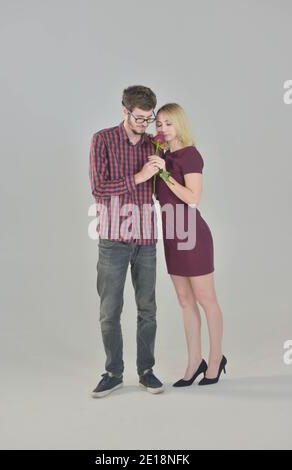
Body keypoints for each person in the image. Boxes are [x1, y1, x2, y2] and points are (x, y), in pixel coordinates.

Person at [89, 85, 164, 397]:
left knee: (147, 309)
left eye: (149, 119)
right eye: (139, 118)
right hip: (113, 238)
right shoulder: (102, 139)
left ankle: (146, 370)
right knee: (110, 310)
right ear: (124, 110)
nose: (144, 124)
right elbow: (99, 189)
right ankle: (113, 371)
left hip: (146, 238)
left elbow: (166, 186)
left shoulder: (153, 145)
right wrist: (140, 176)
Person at [149, 103, 227, 386]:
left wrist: (165, 174)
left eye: (168, 123)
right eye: (158, 124)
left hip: (192, 234)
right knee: (184, 302)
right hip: (171, 234)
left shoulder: (190, 155)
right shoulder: (161, 155)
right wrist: (157, 164)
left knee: (207, 300)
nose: (162, 128)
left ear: (180, 125)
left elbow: (193, 198)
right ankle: (195, 360)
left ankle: (216, 359)